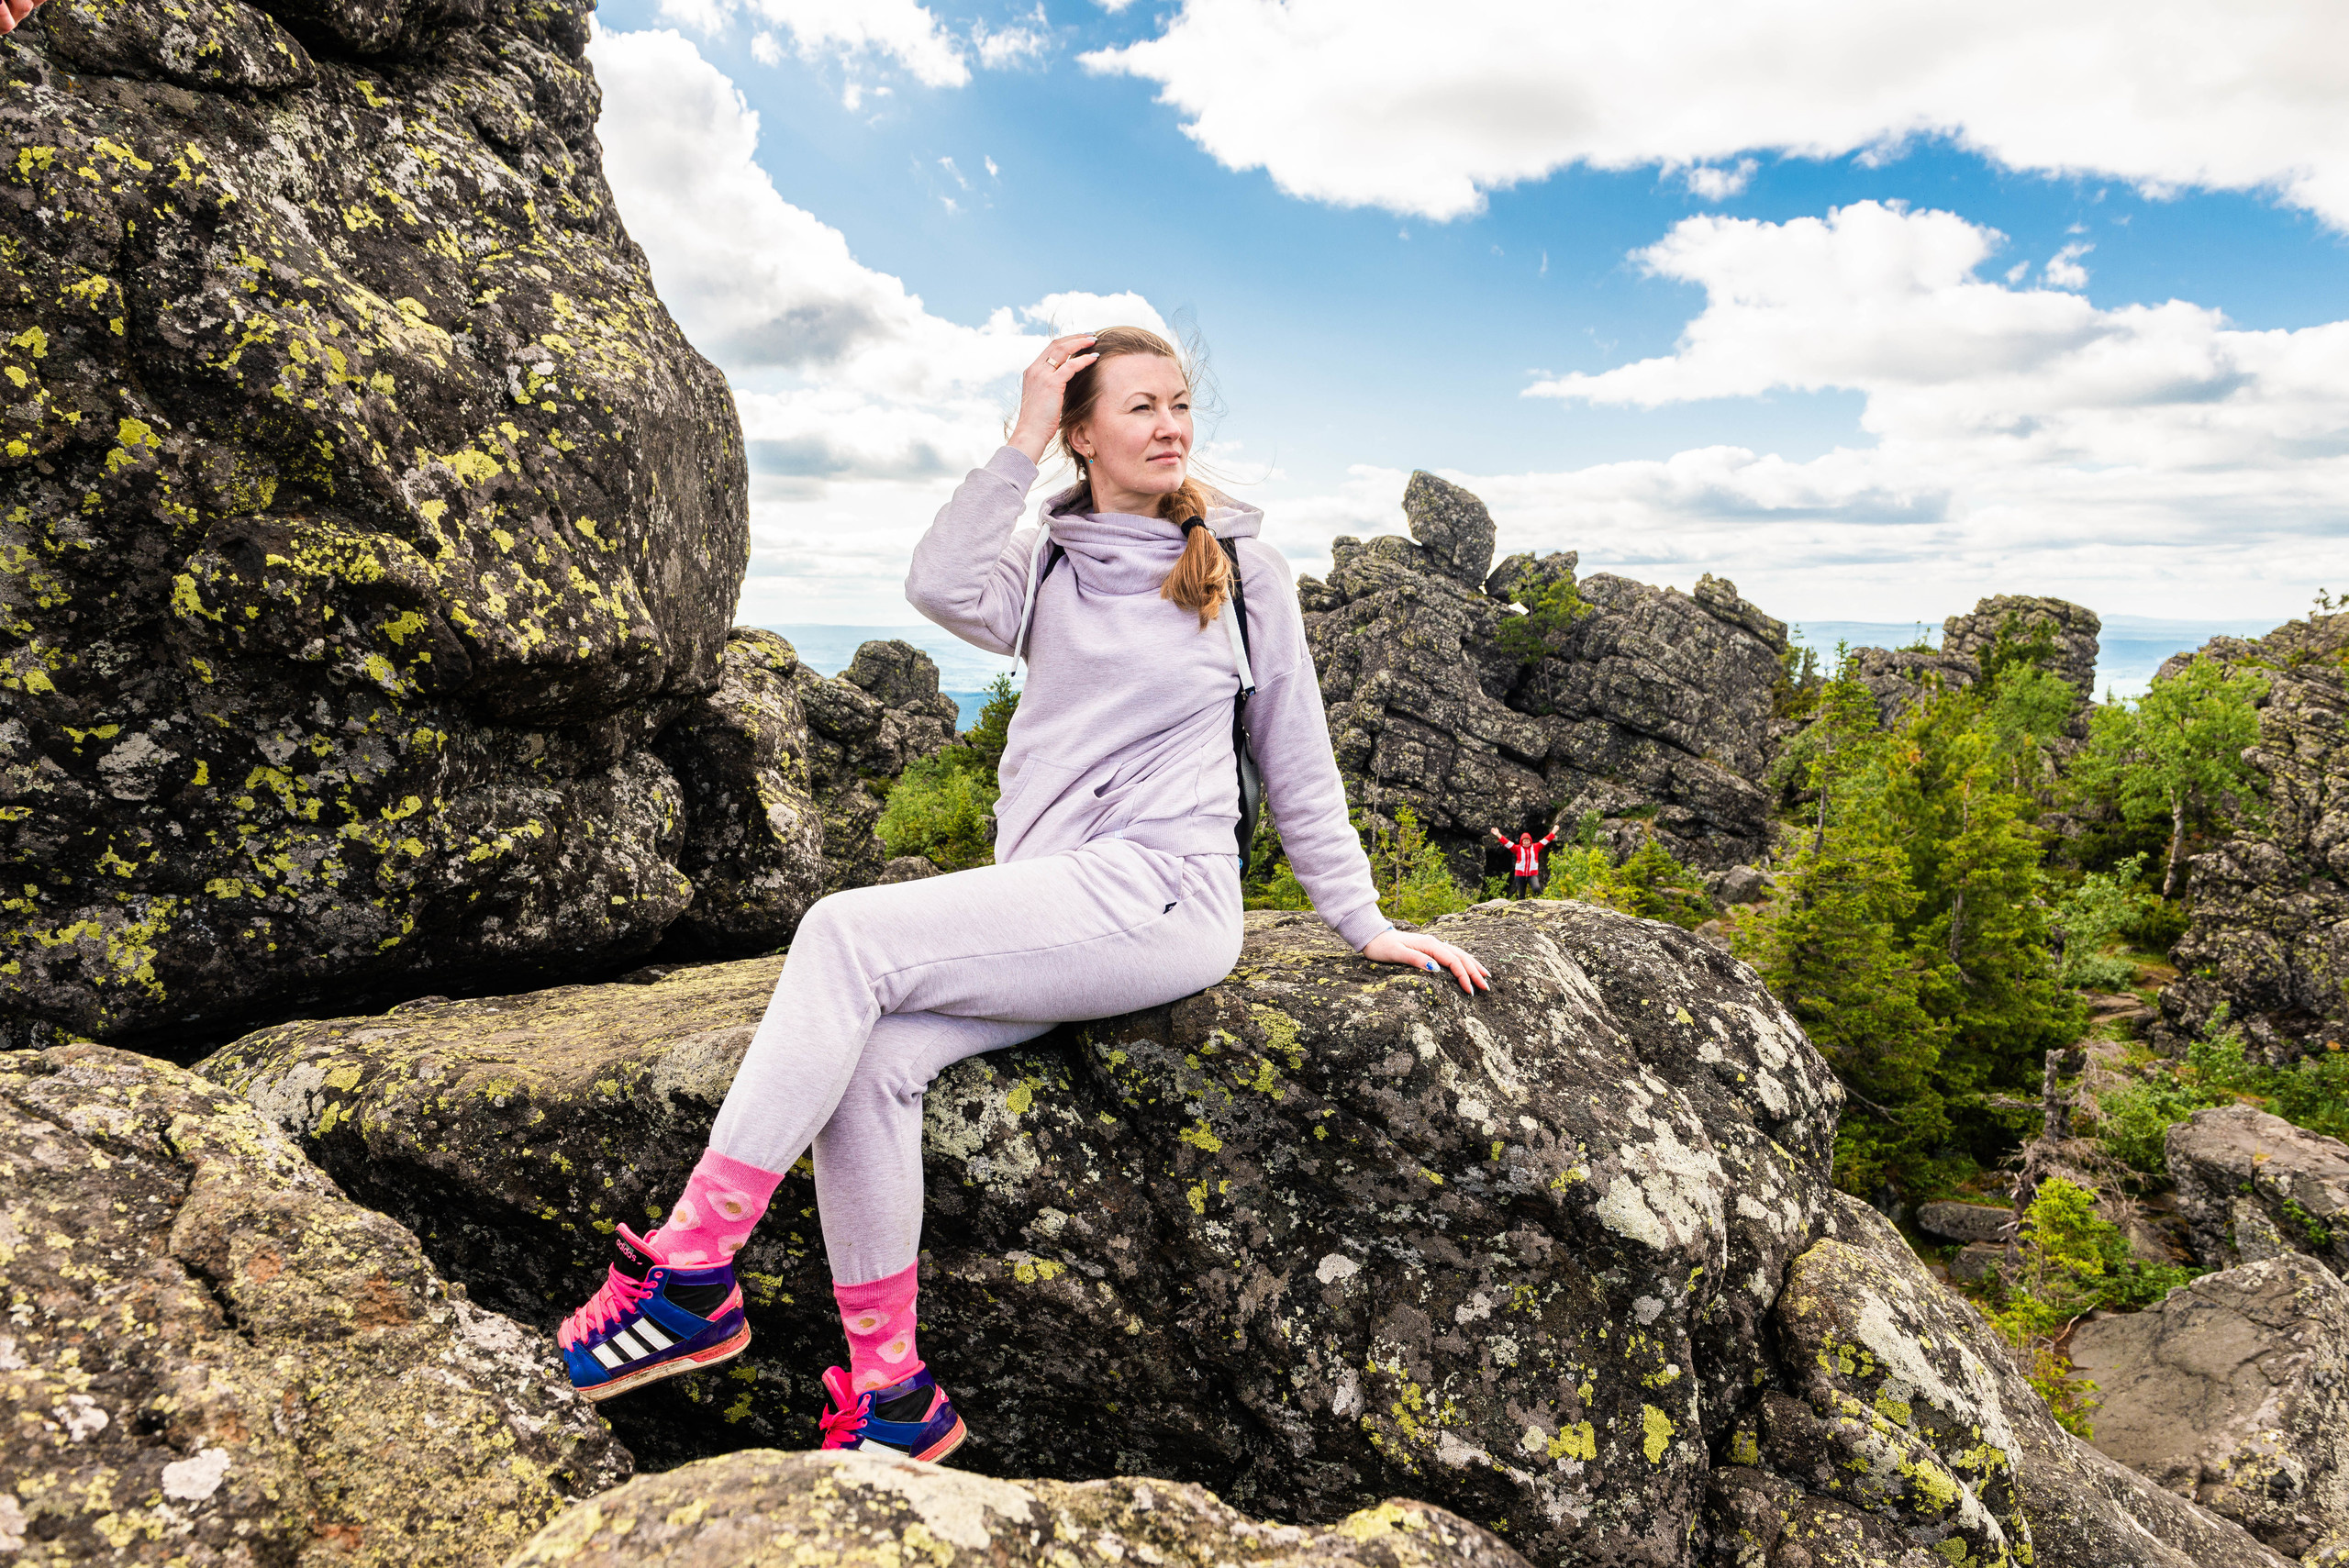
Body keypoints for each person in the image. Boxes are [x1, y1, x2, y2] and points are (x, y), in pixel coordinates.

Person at [551, 326, 1491, 1462]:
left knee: (842, 933)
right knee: (874, 1065)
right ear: (1083, 434)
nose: (1169, 425)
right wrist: (1019, 434)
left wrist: (1364, 919)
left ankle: (694, 1264)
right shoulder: (1047, 561)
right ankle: (891, 1389)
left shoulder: (1245, 570)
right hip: (1052, 905)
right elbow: (937, 582)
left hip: (1160, 898)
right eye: (1138, 407)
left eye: (1179, 403)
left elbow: (1295, 755)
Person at [1492, 824, 1558, 898]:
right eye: (1524, 841)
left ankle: (1542, 903)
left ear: (1530, 841)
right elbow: (1507, 843)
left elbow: (1546, 840)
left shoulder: (1536, 847)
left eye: (1527, 841)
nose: (1526, 843)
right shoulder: (1517, 848)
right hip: (1520, 875)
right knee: (1521, 895)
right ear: (1521, 842)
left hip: (1532, 874)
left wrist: (1554, 831)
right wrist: (1498, 834)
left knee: (1537, 889)